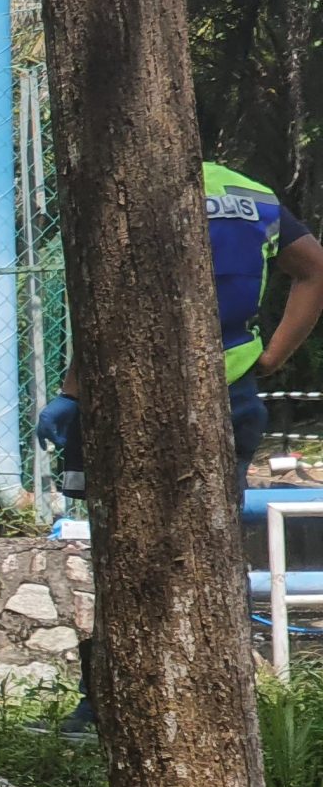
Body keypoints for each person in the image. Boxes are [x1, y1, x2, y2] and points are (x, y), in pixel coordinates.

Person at [36, 161, 323, 735]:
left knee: (126, 553)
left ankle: (106, 711)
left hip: (139, 392)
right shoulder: (253, 193)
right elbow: (314, 269)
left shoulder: (128, 177)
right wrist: (274, 355)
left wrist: (72, 393)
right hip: (230, 393)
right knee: (210, 548)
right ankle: (207, 706)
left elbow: (111, 307)